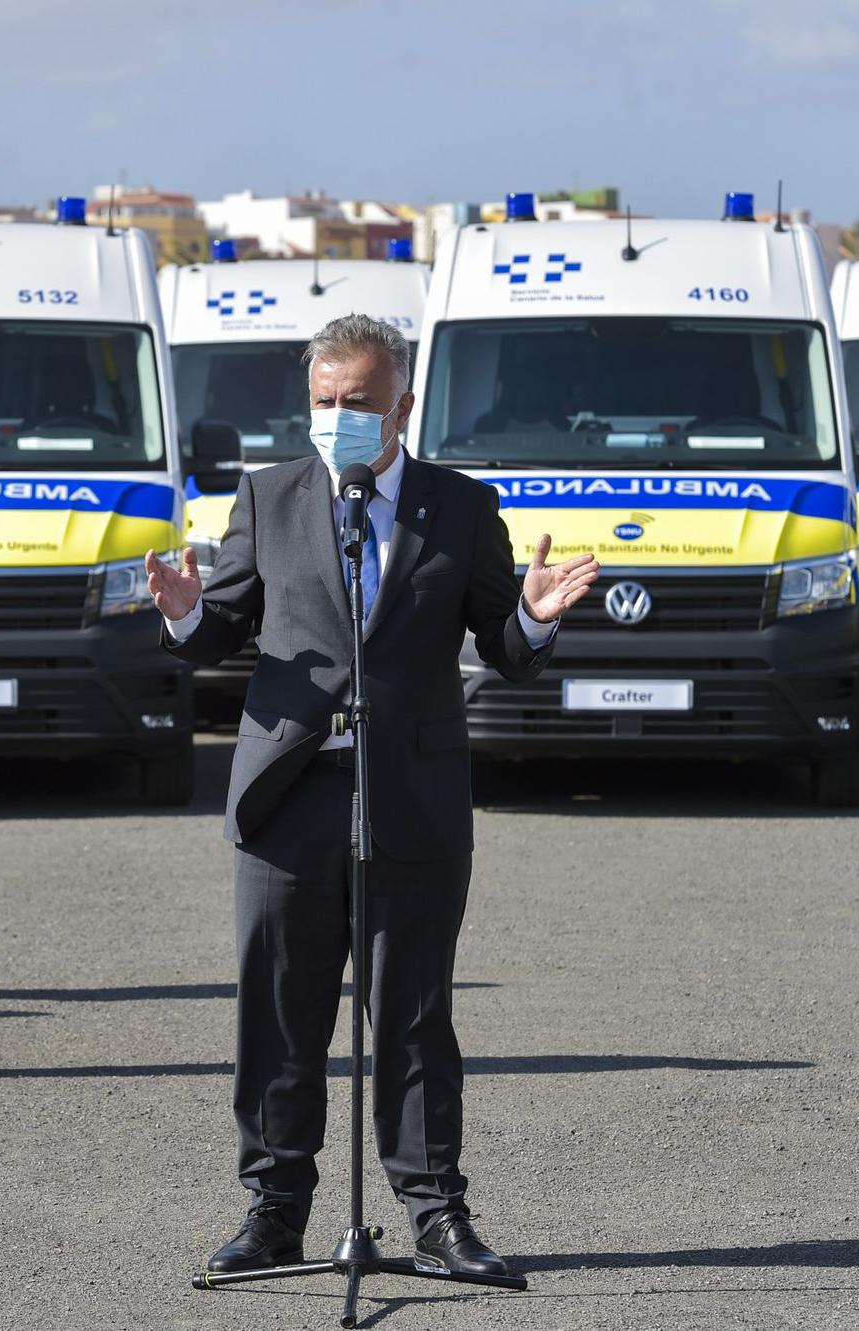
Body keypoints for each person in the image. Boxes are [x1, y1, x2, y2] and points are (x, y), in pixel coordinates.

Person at [146, 314, 598, 1277]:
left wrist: (530, 615)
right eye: (322, 401)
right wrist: (187, 617)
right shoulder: (269, 496)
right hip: (287, 792)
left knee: (413, 1010)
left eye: (356, 402)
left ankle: (435, 1210)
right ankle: (275, 1209)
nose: (338, 418)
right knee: (278, 1007)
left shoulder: (461, 506)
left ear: (401, 402)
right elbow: (224, 623)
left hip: (412, 793)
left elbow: (504, 652)